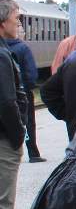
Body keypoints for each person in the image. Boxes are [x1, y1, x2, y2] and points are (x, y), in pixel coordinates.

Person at [0, 0, 26, 209]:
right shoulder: (2, 55)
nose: (19, 23)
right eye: (16, 18)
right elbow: (7, 102)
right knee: (2, 208)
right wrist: (19, 134)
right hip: (4, 140)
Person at [5, 17, 44, 162]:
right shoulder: (23, 48)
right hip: (22, 92)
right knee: (28, 121)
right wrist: (29, 87)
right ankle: (33, 153)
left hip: (6, 91)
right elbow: (31, 73)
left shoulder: (3, 47)